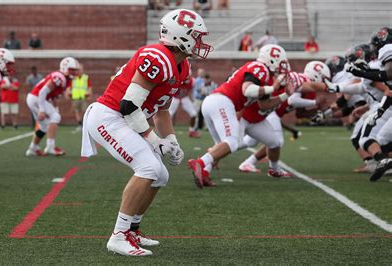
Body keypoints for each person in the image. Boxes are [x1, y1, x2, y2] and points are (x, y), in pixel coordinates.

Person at [81, 9, 212, 256]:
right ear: (180, 36)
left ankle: (132, 230)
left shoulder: (181, 66)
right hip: (109, 116)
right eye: (196, 36)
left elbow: (162, 110)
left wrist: (171, 141)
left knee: (160, 175)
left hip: (126, 118)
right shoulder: (157, 57)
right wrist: (154, 140)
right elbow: (128, 105)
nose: (200, 42)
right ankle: (118, 236)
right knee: (149, 168)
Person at [188, 44, 288, 188]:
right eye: (280, 63)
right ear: (271, 60)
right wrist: (273, 88)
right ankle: (200, 163)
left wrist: (285, 94)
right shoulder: (260, 68)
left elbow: (263, 104)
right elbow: (247, 90)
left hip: (214, 102)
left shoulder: (260, 74)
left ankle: (204, 173)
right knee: (232, 142)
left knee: (220, 146)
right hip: (222, 102)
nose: (281, 68)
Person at [239, 61, 331, 176]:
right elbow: (292, 100)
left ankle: (218, 151)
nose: (324, 83)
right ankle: (257, 165)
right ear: (318, 75)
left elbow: (300, 114)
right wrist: (315, 102)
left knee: (250, 141)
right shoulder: (303, 80)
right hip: (272, 111)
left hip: (272, 111)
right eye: (324, 79)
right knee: (277, 142)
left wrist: (317, 113)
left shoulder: (310, 91)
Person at [341, 27, 392, 181]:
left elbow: (388, 74)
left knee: (369, 140)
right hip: (386, 105)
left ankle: (381, 162)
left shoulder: (387, 49)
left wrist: (361, 72)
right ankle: (383, 162)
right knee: (381, 142)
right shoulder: (377, 66)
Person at [26, 57, 78, 156]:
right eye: (71, 69)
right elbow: (42, 92)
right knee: (55, 117)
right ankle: (50, 147)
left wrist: (54, 106)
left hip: (36, 98)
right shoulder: (60, 77)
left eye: (75, 70)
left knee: (44, 125)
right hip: (37, 98)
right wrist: (42, 110)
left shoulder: (65, 79)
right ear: (64, 68)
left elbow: (52, 95)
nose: (74, 72)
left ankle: (33, 148)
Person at [66, 63, 92, 133]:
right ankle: (80, 125)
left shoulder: (86, 77)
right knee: (77, 112)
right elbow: (69, 87)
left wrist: (89, 94)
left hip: (84, 97)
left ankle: (85, 125)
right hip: (75, 97)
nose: (79, 71)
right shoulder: (73, 78)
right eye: (78, 69)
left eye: (80, 69)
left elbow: (89, 87)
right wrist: (68, 93)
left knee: (85, 111)